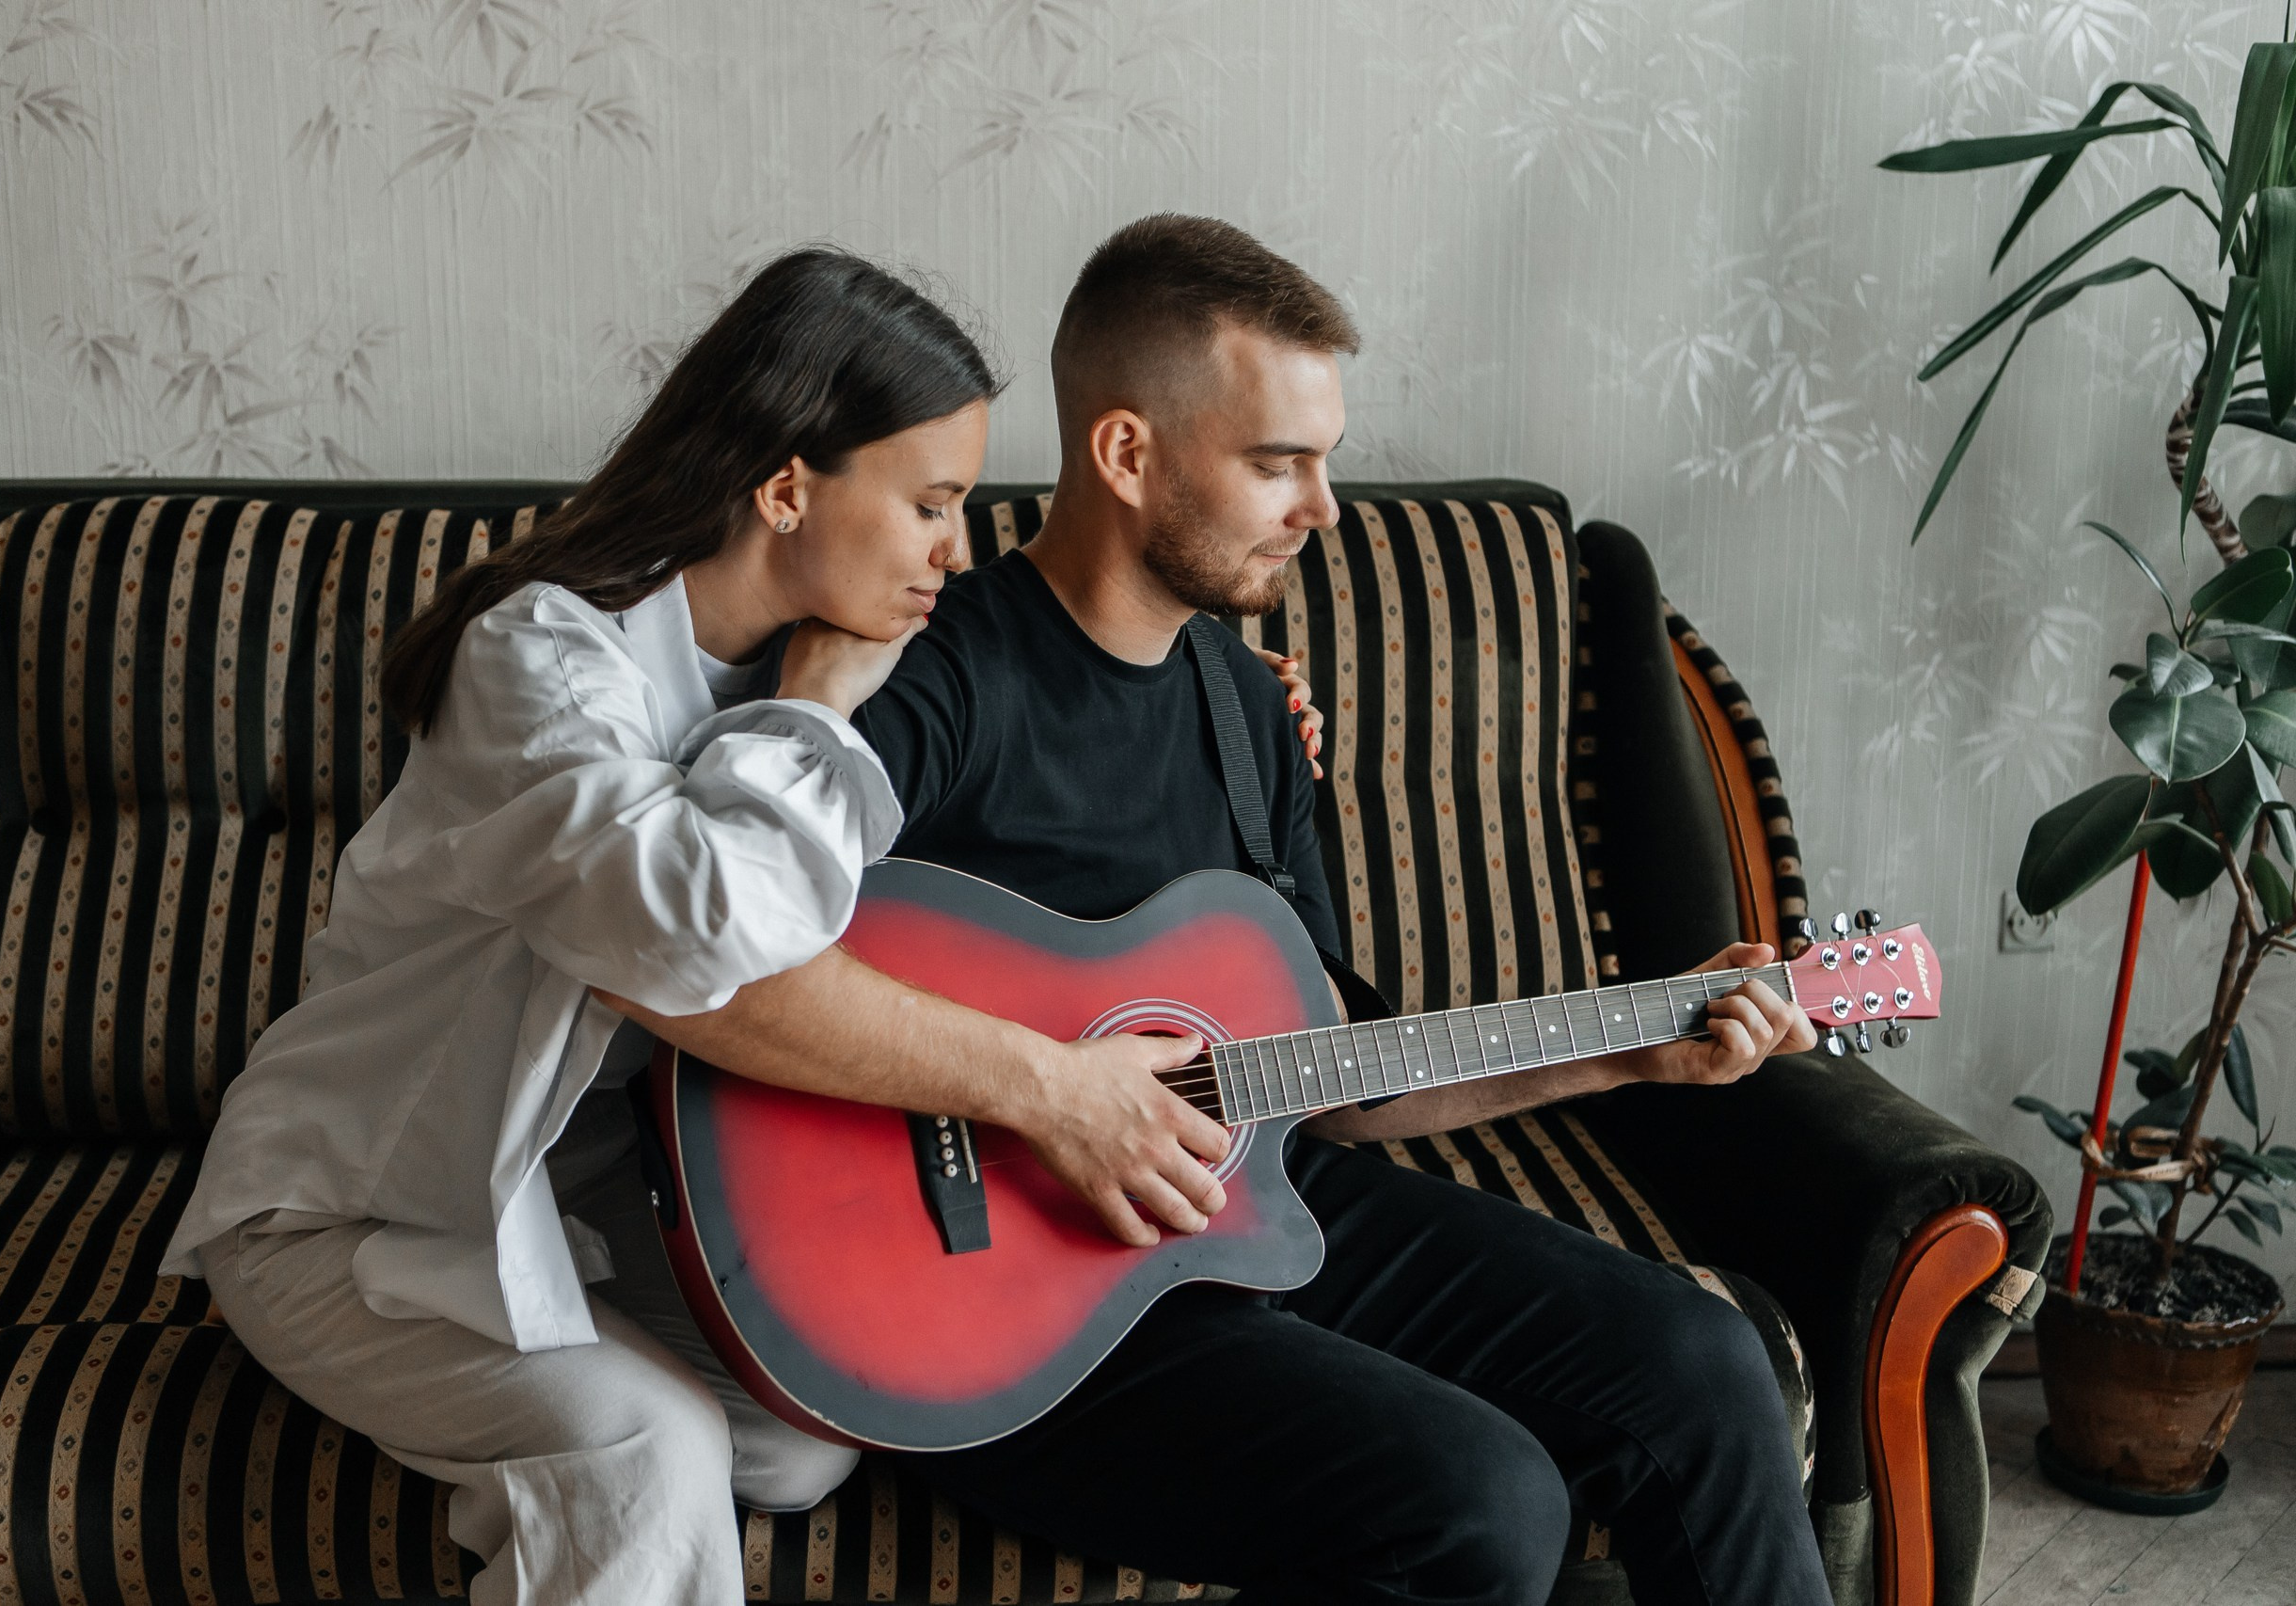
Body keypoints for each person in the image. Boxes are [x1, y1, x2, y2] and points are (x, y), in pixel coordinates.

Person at [597, 216, 1835, 1606]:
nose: (1323, 508)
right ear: (1127, 454)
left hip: (1256, 1206)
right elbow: (713, 970)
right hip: (998, 1294)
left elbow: (1334, 1086)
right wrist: (1056, 1096)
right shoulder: (925, 675)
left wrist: (1630, 1053)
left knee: (1703, 1361)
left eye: (1325, 461)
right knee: (1483, 1499)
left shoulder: (1251, 714)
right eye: (1277, 463)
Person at [154, 248, 997, 1606]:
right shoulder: (541, 660)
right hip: (357, 1209)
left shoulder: (838, 645)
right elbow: (698, 932)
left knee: (798, 1440)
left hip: (588, 1205)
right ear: (789, 487)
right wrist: (817, 712)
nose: (958, 550)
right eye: (934, 504)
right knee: (654, 1452)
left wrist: (1245, 704)